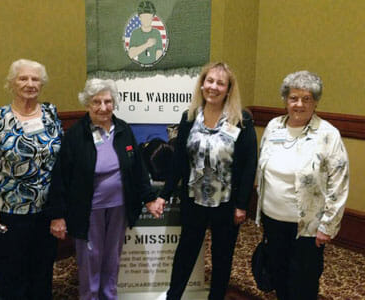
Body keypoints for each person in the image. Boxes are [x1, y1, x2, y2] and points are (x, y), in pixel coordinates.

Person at [46, 78, 165, 300]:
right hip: (89, 209)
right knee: (91, 260)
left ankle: (109, 296)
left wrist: (149, 198)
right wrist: (58, 216)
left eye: (108, 101)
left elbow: (137, 168)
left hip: (119, 206)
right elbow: (61, 177)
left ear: (114, 102)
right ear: (87, 104)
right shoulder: (75, 135)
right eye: (96, 102)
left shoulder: (123, 130)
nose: (103, 108)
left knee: (112, 258)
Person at [159, 62, 258, 300]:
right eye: (209, 81)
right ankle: (174, 296)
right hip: (194, 199)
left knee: (222, 256)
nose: (213, 87)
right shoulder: (189, 117)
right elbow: (179, 161)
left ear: (228, 88)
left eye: (220, 83)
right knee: (185, 253)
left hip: (227, 203)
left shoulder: (241, 120)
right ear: (202, 84)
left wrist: (242, 205)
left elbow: (248, 166)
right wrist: (165, 193)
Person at [256, 71, 349, 300]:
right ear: (285, 100)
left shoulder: (328, 135)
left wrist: (327, 226)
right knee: (279, 278)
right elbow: (262, 169)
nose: (299, 104)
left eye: (306, 98)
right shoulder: (273, 127)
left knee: (303, 284)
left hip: (307, 228)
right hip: (273, 221)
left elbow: (339, 184)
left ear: (315, 102)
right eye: (293, 98)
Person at [0, 59, 63, 300]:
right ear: (12, 83)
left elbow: (61, 160)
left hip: (46, 212)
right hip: (10, 212)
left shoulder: (50, 114)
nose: (30, 83)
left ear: (42, 84)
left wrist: (60, 208)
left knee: (42, 273)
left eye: (35, 79)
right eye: (23, 78)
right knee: (12, 276)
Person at [128, 0, 163, 64]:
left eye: (148, 17)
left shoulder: (156, 33)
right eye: (144, 17)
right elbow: (131, 54)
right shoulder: (135, 33)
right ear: (140, 17)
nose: (146, 20)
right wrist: (147, 45)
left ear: (152, 17)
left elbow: (159, 53)